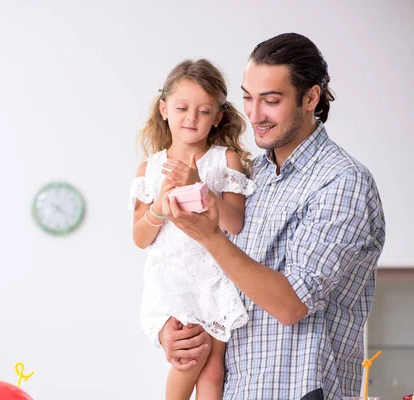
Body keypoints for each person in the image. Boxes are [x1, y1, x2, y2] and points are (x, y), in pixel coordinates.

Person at [158, 33, 386, 400]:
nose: (255, 115)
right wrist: (173, 334)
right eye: (248, 98)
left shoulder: (342, 182)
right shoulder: (253, 177)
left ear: (311, 97)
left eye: (272, 101)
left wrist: (210, 237)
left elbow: (291, 304)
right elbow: (221, 280)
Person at [128, 59, 256, 400]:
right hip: (173, 278)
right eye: (183, 107)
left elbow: (235, 223)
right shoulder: (149, 169)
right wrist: (158, 206)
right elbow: (141, 238)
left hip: (215, 274)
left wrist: (200, 185)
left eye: (204, 111)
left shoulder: (224, 160)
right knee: (189, 358)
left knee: (214, 367)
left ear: (217, 116)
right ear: (164, 108)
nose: (191, 118)